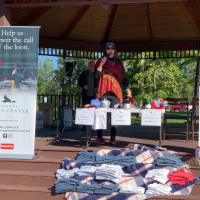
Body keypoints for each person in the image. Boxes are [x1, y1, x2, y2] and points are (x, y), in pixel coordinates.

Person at [95, 42, 132, 145]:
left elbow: (123, 77)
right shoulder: (100, 61)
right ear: (105, 50)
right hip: (103, 92)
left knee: (115, 115)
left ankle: (112, 138)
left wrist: (128, 89)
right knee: (102, 115)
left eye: (112, 48)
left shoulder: (119, 63)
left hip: (116, 93)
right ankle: (99, 137)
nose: (110, 50)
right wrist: (102, 63)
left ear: (114, 50)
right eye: (108, 48)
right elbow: (96, 75)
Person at [78, 61, 97, 131]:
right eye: (91, 65)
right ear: (88, 66)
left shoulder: (96, 73)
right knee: (85, 110)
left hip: (94, 96)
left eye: (93, 65)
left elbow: (100, 82)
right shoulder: (84, 73)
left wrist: (97, 87)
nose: (92, 66)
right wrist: (83, 86)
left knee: (94, 110)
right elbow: (79, 81)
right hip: (86, 95)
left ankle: (94, 126)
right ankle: (85, 126)